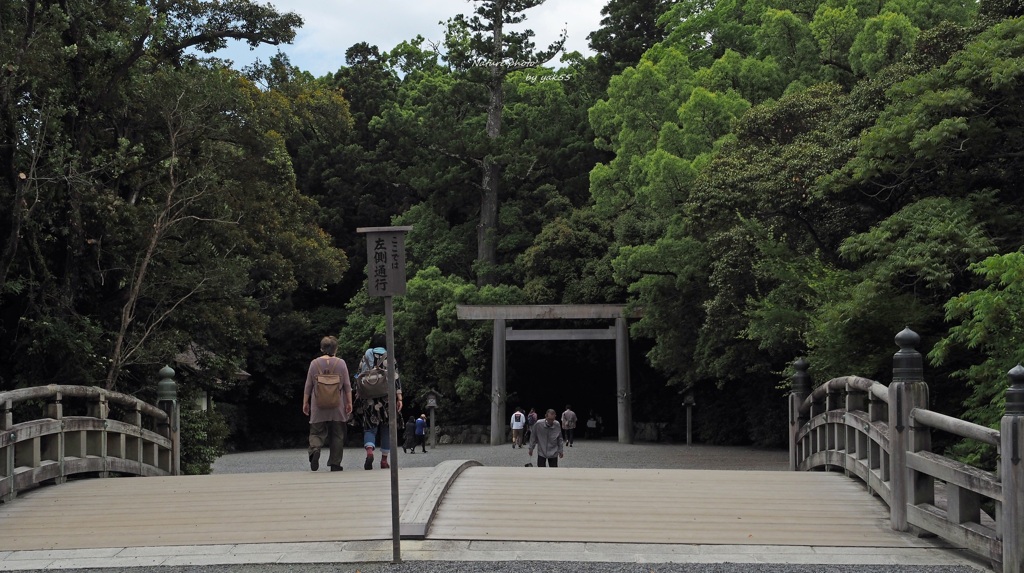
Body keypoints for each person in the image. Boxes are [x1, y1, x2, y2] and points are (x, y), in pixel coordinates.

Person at [302, 336, 352, 472]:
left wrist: (305, 402)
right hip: (337, 405)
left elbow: (308, 385)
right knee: (337, 433)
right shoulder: (341, 363)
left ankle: (315, 450)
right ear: (336, 348)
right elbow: (347, 385)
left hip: (318, 404)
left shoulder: (314, 364)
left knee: (316, 432)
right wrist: (349, 403)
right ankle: (335, 463)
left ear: (321, 348)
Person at [355, 333, 402, 470]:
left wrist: (357, 393)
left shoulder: (365, 357)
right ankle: (384, 460)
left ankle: (370, 451)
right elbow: (396, 378)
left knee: (370, 426)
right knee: (387, 427)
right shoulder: (390, 357)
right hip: (387, 397)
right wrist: (399, 397)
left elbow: (358, 376)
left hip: (369, 397)